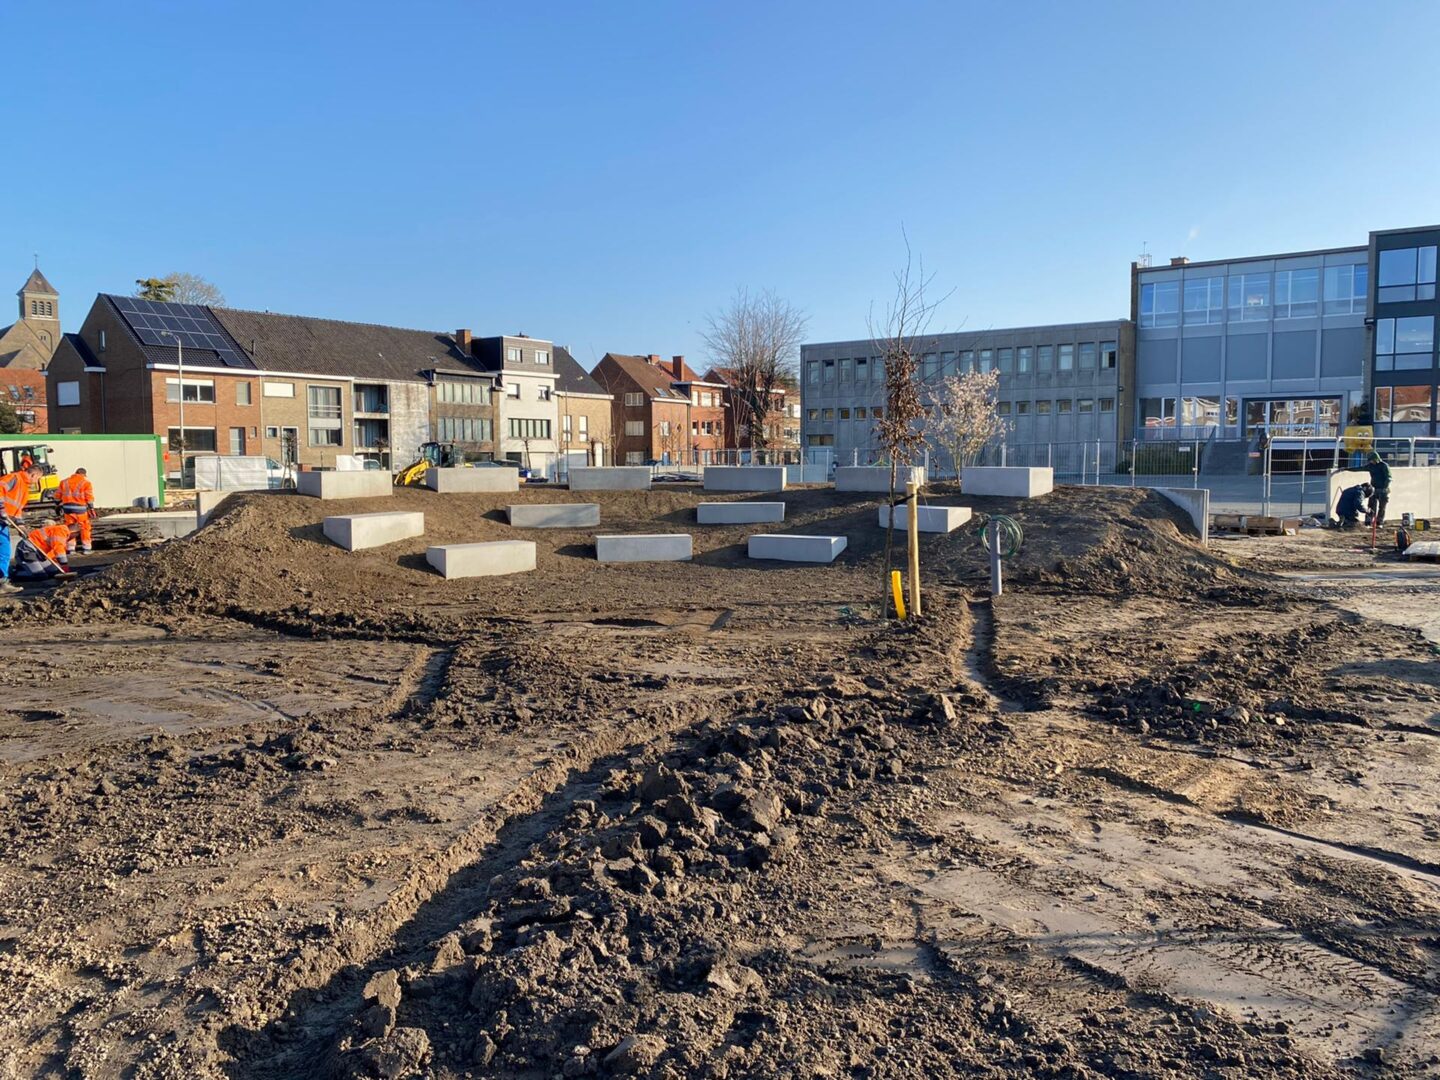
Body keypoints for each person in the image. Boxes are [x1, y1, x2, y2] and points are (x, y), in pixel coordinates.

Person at [0, 462, 43, 595]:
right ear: (33, 474)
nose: (37, 481)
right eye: (38, 478)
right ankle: (2, 582)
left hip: (3, 522)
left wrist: (21, 526)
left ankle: (3, 580)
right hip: (1, 518)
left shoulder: (24, 489)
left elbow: (17, 510)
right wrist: (1, 508)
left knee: (4, 549)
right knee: (4, 550)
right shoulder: (14, 478)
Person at [1339, 451, 1392, 525]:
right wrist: (1346, 468)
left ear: (1376, 459)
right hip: (1373, 488)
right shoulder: (1370, 466)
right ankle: (1368, 521)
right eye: (1370, 460)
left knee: (1382, 507)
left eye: (1372, 460)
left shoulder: (1384, 466)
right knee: (1371, 505)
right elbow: (1359, 468)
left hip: (1383, 489)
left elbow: (1389, 478)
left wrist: (1385, 487)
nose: (1371, 462)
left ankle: (1380, 522)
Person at [56, 467, 96, 553]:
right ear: (83, 474)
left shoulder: (64, 482)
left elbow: (57, 497)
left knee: (70, 528)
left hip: (67, 509)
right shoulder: (86, 483)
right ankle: (87, 548)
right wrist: (91, 508)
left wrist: (58, 505)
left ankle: (71, 548)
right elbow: (89, 497)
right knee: (84, 527)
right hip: (80, 509)